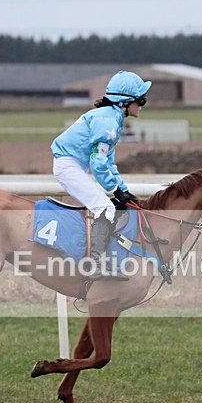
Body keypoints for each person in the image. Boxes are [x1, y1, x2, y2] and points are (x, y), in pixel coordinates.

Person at [51, 70, 151, 280]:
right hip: (69, 166)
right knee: (104, 207)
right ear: (125, 102)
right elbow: (98, 163)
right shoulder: (107, 120)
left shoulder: (112, 118)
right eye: (141, 100)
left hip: (77, 165)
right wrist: (114, 191)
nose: (142, 105)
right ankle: (95, 265)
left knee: (111, 205)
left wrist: (123, 191)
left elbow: (108, 163)